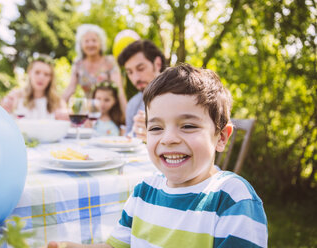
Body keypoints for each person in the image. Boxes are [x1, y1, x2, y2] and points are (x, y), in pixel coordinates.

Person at [46, 64, 268, 248]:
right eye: (156, 128)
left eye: (188, 125)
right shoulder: (144, 191)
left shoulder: (231, 199)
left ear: (221, 137)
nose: (168, 138)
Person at [62, 24, 127, 115]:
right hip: (88, 113)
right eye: (87, 41)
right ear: (81, 44)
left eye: (94, 40)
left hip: (110, 113)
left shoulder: (110, 62)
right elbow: (70, 88)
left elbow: (119, 90)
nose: (90, 44)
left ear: (100, 43)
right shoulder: (78, 63)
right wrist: (57, 108)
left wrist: (127, 117)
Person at [117, 40, 166, 141]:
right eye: (130, 72)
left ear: (157, 64)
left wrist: (157, 135)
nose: (136, 78)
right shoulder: (133, 104)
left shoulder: (182, 97)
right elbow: (128, 141)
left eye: (140, 68)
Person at [0, 54, 68, 120]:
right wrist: (5, 105)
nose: (41, 77)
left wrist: (66, 116)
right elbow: (2, 115)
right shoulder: (16, 95)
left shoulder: (57, 101)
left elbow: (68, 121)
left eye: (46, 74)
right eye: (37, 72)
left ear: (51, 78)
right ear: (30, 73)